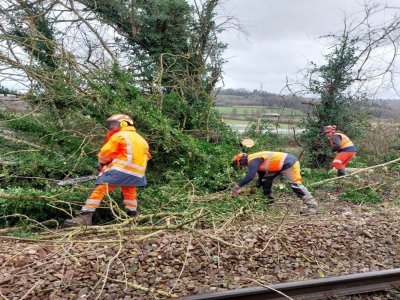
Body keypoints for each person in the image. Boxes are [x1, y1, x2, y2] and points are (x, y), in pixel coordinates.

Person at [65, 114, 151, 226]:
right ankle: (133, 217)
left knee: (100, 189)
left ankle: (85, 216)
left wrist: (101, 164)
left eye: (114, 124)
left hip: (121, 170)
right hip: (138, 173)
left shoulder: (120, 136)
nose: (111, 127)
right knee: (129, 193)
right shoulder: (141, 139)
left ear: (124, 123)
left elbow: (105, 154)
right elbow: (145, 156)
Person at [231, 151, 318, 214]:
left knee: (295, 185)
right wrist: (255, 188)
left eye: (241, 165)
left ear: (241, 161)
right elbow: (261, 177)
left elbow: (250, 176)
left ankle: (313, 207)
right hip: (278, 166)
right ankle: (269, 200)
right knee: (266, 180)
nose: (243, 166)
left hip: (288, 163)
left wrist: (237, 187)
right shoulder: (254, 160)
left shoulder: (253, 160)